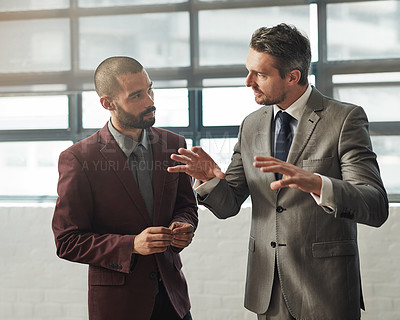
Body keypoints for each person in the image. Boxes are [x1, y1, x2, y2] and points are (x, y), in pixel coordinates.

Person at [168, 23, 389, 320]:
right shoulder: (251, 125)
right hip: (268, 291)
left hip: (326, 290)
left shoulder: (344, 119)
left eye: (260, 74)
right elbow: (229, 204)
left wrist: (318, 184)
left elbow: (375, 205)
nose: (248, 82)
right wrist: (209, 179)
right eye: (249, 70)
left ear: (293, 76)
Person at [52, 56, 198, 320]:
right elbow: (67, 241)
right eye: (137, 95)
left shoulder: (174, 143)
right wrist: (132, 245)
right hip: (119, 306)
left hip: (174, 300)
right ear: (108, 103)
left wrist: (183, 225)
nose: (150, 101)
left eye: (150, 89)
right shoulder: (79, 159)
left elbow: (186, 206)